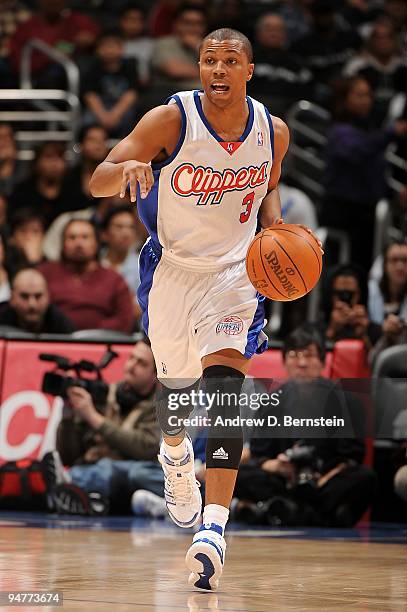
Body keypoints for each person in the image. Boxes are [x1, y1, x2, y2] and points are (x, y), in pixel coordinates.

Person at [90, 26, 321, 591]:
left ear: (249, 69)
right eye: (208, 60)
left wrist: (277, 235)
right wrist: (127, 171)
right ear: (199, 68)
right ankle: (173, 457)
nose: (217, 70)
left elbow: (267, 190)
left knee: (223, 389)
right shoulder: (169, 120)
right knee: (176, 390)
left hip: (235, 275)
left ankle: (214, 528)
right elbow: (95, 179)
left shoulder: (274, 132)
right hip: (172, 270)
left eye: (229, 61)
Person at [232, 325, 377, 528]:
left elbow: (352, 458)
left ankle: (285, 512)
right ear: (284, 361)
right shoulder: (272, 401)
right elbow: (259, 455)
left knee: (364, 478)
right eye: (294, 355)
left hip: (324, 483)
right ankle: (315, 517)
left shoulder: (344, 400)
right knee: (239, 475)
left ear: (322, 361)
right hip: (283, 481)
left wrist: (324, 477)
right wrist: (276, 466)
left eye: (308, 356)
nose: (301, 363)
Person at [44, 339, 160, 514]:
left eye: (141, 363)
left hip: (134, 471)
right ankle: (75, 486)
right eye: (131, 358)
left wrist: (94, 418)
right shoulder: (104, 394)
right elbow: (69, 456)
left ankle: (71, 483)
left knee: (132, 472)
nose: (131, 366)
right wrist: (67, 419)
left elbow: (146, 447)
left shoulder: (161, 405)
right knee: (99, 469)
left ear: (155, 374)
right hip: (100, 473)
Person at [321, 76, 407, 271]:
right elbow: (358, 153)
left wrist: (394, 195)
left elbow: (374, 174)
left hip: (366, 215)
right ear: (344, 99)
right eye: (359, 95)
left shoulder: (368, 129)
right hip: (343, 213)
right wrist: (392, 132)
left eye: (368, 95)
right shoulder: (338, 131)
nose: (366, 100)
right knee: (341, 269)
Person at [39, 219, 134, 332]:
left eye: (85, 237)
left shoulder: (114, 279)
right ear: (63, 243)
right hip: (53, 340)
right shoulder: (44, 273)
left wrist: (92, 333)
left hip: (100, 343)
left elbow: (125, 320)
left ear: (96, 243)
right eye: (72, 237)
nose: (78, 244)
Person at [82, 30, 139, 138]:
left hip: (122, 107)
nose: (109, 50)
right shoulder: (92, 67)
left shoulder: (130, 66)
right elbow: (90, 95)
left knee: (132, 119)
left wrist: (115, 114)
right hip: (100, 107)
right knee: (87, 119)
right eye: (105, 47)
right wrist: (103, 116)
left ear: (121, 49)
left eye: (112, 46)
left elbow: (132, 93)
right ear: (98, 50)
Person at [321, 263, 382, 350]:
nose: (345, 300)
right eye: (339, 294)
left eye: (350, 294)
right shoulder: (314, 330)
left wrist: (363, 336)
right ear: (329, 295)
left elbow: (379, 362)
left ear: (361, 295)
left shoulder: (375, 331)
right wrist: (332, 331)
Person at [0, 267, 75, 334]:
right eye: (24, 296)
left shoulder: (59, 322)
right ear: (12, 298)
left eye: (38, 296)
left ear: (48, 297)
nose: (32, 304)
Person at [100, 205, 142, 322]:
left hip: (132, 330)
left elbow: (141, 308)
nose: (126, 233)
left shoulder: (143, 265)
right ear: (104, 233)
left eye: (131, 227)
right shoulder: (93, 263)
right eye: (119, 227)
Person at [368, 240, 407, 364]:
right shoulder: (369, 293)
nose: (400, 266)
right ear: (384, 264)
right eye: (394, 260)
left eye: (405, 261)